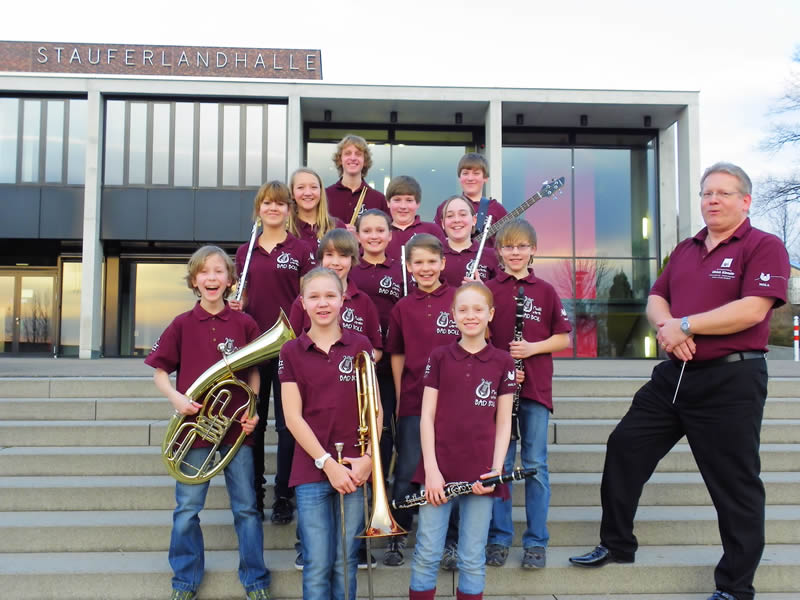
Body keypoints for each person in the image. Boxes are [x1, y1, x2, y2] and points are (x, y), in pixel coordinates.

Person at [568, 163, 790, 600]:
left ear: (745, 201)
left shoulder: (763, 246)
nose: (713, 200)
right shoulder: (686, 249)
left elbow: (753, 309)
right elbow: (656, 297)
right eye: (707, 193)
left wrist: (686, 325)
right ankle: (617, 543)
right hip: (674, 376)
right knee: (624, 446)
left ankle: (735, 587)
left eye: (723, 193)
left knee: (735, 485)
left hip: (732, 380)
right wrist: (667, 326)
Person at [145, 245, 271, 600]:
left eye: (219, 271)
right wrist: (176, 399)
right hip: (194, 429)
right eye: (204, 272)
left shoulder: (245, 324)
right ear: (194, 281)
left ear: (230, 280)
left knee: (246, 509)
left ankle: (256, 580)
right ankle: (185, 581)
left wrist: (252, 409)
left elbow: (253, 371)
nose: (212, 278)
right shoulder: (182, 324)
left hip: (235, 431)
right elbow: (159, 373)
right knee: (187, 509)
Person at [408, 282, 516, 600]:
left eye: (478, 309)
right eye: (463, 309)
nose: (471, 316)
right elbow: (426, 417)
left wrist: (496, 470)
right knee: (427, 552)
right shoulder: (440, 357)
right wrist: (431, 471)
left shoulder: (503, 362)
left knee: (472, 557)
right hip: (438, 471)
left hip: (482, 473)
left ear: (490, 314)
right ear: (453, 314)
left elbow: (504, 422)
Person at [280, 267, 379, 600]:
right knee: (317, 564)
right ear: (302, 302)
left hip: (355, 469)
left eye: (329, 296)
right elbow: (292, 417)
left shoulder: (361, 344)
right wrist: (326, 463)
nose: (322, 303)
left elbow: (375, 410)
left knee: (345, 562)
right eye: (314, 296)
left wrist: (369, 458)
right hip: (311, 471)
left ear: (342, 300)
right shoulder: (290, 351)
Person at [484, 219, 571, 570]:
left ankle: (536, 541)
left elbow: (563, 338)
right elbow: (478, 339)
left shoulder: (546, 291)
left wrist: (531, 348)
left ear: (533, 249)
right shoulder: (488, 290)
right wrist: (503, 366)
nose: (515, 252)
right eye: (508, 246)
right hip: (497, 392)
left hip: (534, 389)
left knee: (535, 465)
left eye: (522, 246)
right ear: (499, 251)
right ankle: (499, 537)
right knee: (501, 464)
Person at [231, 181, 315, 526]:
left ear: (288, 210)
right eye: (267, 203)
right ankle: (254, 491)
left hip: (288, 347)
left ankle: (284, 495)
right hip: (253, 347)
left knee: (286, 426)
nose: (273, 209)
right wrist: (237, 304)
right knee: (252, 423)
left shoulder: (301, 249)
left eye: (280, 203)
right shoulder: (245, 250)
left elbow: (307, 298)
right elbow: (244, 295)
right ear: (259, 209)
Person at [384, 233, 461, 566]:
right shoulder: (402, 307)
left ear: (443, 263)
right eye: (419, 262)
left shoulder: (459, 298)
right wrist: (402, 396)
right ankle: (399, 534)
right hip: (414, 402)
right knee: (406, 470)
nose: (426, 268)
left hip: (456, 404)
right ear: (408, 266)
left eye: (432, 261)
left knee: (453, 471)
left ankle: (451, 541)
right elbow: (397, 354)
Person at [350, 209, 404, 498]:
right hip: (353, 370)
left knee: (387, 433)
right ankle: (363, 491)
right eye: (367, 231)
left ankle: (384, 493)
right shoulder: (350, 270)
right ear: (358, 236)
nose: (374, 236)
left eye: (380, 230)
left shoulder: (401, 271)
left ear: (390, 235)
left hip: (389, 367)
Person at [433, 153, 507, 243]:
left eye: (476, 173)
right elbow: (434, 242)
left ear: (485, 178)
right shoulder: (446, 207)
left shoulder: (497, 209)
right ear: (459, 178)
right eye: (465, 173)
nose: (470, 178)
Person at [325, 134, 389, 226]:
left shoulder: (379, 199)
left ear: (365, 161)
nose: (353, 158)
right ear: (340, 159)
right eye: (347, 153)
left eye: (358, 154)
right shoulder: (325, 196)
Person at [440, 194, 498, 287]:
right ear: (443, 223)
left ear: (474, 220)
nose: (456, 220)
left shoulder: (493, 256)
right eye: (450, 216)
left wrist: (483, 290)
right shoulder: (434, 255)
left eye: (463, 214)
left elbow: (502, 293)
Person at [384, 175, 446, 260]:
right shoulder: (381, 233)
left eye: (409, 200)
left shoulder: (432, 231)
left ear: (418, 203)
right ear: (388, 202)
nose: (403, 206)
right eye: (397, 200)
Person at [287, 167, 346, 252]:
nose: (308, 193)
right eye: (301, 187)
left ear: (321, 192)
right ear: (292, 193)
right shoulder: (284, 230)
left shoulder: (337, 227)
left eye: (313, 187)